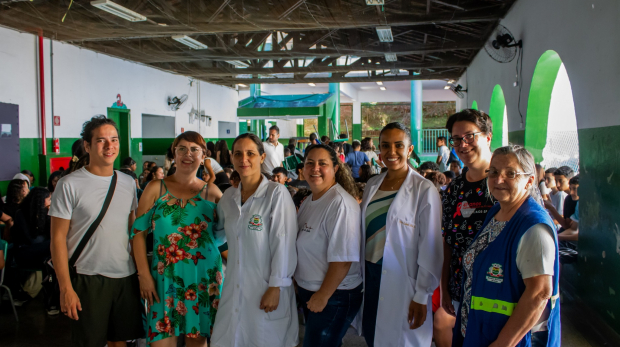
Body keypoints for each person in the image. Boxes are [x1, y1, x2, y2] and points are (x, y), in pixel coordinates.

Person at [49, 115, 143, 347]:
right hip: (88, 278)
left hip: (125, 276)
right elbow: (57, 239)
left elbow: (132, 231)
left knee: (120, 341)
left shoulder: (128, 182)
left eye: (114, 139)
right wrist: (65, 288)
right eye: (101, 140)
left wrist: (141, 274)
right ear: (88, 146)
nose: (109, 146)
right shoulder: (69, 184)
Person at [453, 145, 560, 347]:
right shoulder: (496, 213)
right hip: (481, 329)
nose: (498, 179)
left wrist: (504, 343)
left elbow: (539, 293)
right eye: (493, 172)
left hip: (510, 339)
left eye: (510, 173)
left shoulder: (533, 227)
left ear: (529, 181)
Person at [131, 131, 224, 346]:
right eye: (181, 148)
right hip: (163, 279)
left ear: (204, 156)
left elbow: (232, 232)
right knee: (161, 341)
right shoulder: (156, 188)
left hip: (203, 277)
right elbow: (138, 233)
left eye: (194, 149)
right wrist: (143, 274)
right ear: (174, 154)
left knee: (197, 342)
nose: (187, 154)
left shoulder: (213, 192)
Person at [356, 122, 443, 347]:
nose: (391, 152)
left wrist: (422, 295)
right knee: (373, 334)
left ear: (410, 149)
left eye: (398, 145)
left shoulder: (424, 190)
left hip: (405, 280)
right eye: (385, 146)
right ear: (379, 149)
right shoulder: (372, 184)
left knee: (402, 339)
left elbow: (431, 247)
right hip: (371, 273)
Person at [211, 133, 298, 347]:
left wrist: (276, 287)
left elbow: (283, 243)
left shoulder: (276, 194)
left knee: (264, 339)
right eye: (238, 154)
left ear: (261, 157)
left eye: (250, 153)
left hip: (266, 288)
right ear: (231, 158)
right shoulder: (229, 198)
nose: (244, 159)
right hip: (235, 286)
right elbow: (218, 234)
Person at [295, 144, 363, 347]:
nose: (315, 168)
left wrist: (323, 295)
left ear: (335, 168)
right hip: (312, 290)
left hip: (334, 295)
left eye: (322, 164)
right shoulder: (310, 200)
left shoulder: (340, 204)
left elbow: (343, 259)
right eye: (310, 163)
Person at [439, 109, 496, 347]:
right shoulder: (455, 188)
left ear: (487, 137)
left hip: (496, 288)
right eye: (456, 138)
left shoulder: (503, 184)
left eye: (469, 136)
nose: (462, 144)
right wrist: (444, 288)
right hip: (460, 287)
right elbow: (447, 241)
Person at [544, 166, 575, 233]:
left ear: (570, 180)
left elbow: (566, 226)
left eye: (560, 181)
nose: (557, 184)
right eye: (556, 181)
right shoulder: (568, 198)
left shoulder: (572, 198)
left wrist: (551, 208)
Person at [557, 176, 579, 264]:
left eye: (575, 189)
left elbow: (579, 236)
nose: (572, 192)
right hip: (576, 243)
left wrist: (558, 237)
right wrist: (556, 236)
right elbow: (573, 229)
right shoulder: (578, 204)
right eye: (571, 189)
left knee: (557, 254)